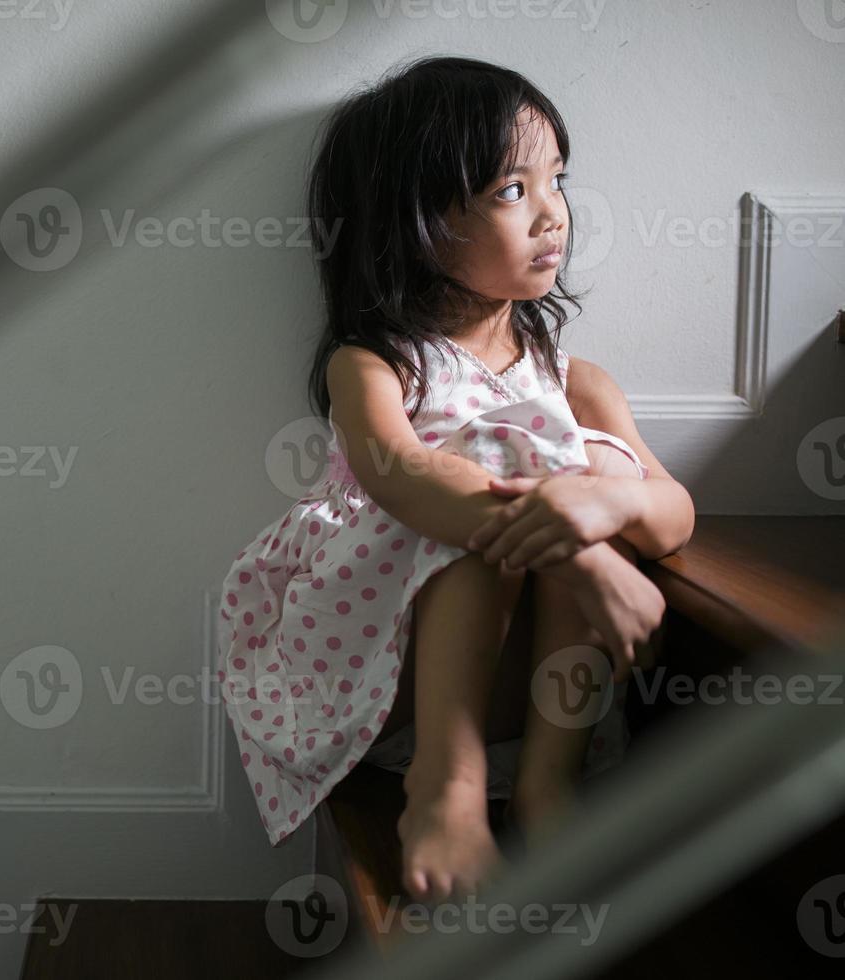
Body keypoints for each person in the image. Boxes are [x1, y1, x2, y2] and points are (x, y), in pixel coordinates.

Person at [215, 55, 696, 902]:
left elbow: (669, 514)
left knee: (595, 467)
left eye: (558, 180)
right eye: (512, 190)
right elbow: (404, 479)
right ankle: (448, 788)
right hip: (376, 671)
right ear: (416, 225)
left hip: (519, 691)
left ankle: (550, 784)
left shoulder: (576, 383)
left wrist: (603, 504)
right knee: (489, 479)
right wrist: (580, 557)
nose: (553, 213)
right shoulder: (376, 366)